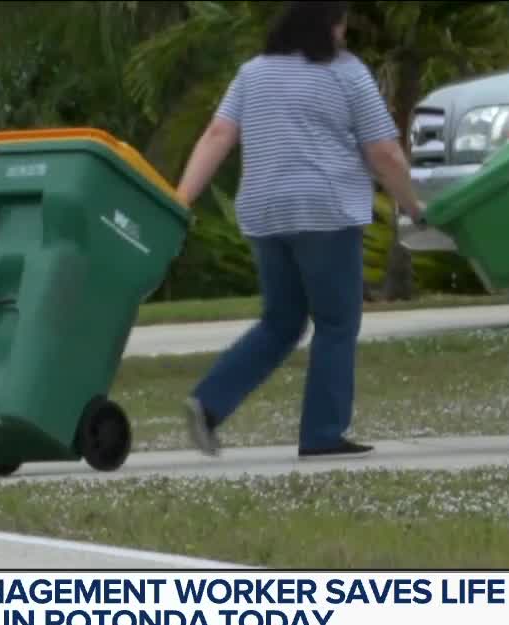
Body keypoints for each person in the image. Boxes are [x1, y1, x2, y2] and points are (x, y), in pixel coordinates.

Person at [174, 0, 427, 460]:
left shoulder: (253, 72)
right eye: (343, 24)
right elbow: (384, 153)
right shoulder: (347, 73)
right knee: (336, 322)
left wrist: (180, 199)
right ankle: (322, 434)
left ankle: (209, 402)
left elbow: (217, 135)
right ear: (329, 26)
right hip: (324, 212)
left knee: (282, 321)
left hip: (265, 214)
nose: (345, 34)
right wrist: (412, 206)